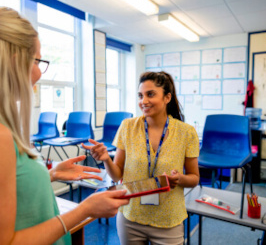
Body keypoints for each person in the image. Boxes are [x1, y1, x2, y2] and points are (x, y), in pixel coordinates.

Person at [0, 7, 129, 244]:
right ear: (15, 62)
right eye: (38, 60)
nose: (39, 72)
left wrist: (50, 175)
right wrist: (85, 210)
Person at [83, 71, 200, 245]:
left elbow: (194, 178)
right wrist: (106, 159)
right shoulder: (128, 126)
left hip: (168, 219)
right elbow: (117, 176)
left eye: (150, 94)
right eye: (140, 95)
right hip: (131, 215)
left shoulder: (186, 132)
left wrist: (180, 178)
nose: (143, 101)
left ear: (167, 98)